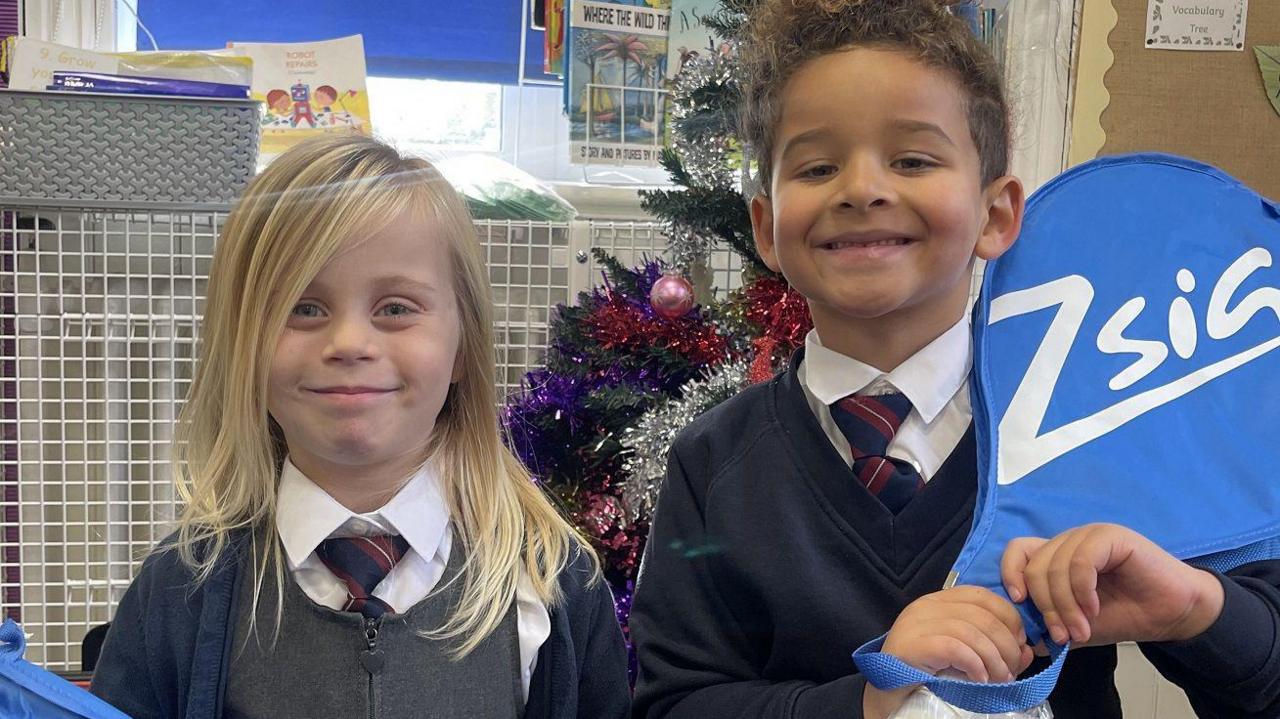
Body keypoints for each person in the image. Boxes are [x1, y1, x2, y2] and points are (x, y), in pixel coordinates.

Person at [628, 1, 1280, 717]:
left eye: (912, 159)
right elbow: (674, 702)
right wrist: (869, 701)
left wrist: (1195, 610)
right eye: (817, 166)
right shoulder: (713, 463)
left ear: (997, 215)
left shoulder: (1096, 417)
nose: (862, 189)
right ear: (767, 229)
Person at [90, 135, 630, 719]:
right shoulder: (178, 592)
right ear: (243, 343)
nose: (348, 343)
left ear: (463, 348)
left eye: (396, 308)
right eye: (303, 307)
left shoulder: (552, 584)